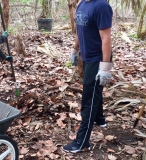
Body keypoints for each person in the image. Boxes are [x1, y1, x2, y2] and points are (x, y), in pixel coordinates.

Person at [62, 0, 113, 153]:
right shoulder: (81, 4)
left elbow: (106, 38)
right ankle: (100, 119)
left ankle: (82, 142)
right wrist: (75, 50)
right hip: (88, 57)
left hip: (98, 59)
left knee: (89, 99)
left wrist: (105, 67)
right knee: (95, 90)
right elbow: (79, 29)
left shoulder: (102, 6)